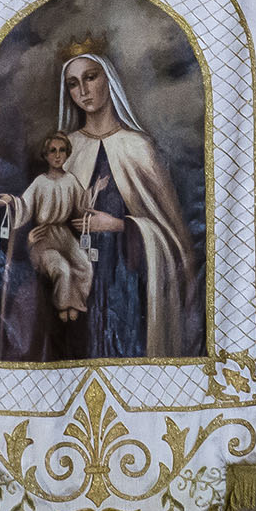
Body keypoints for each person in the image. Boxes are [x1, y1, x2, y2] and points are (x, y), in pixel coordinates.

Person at [50, 43, 201, 359]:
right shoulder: (66, 151)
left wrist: (118, 225)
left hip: (130, 288)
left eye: (90, 77)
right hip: (79, 285)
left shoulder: (139, 148)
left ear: (108, 79)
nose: (84, 91)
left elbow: (173, 239)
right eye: (73, 84)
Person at [0, 132, 100, 361]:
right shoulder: (40, 182)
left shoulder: (71, 180)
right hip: (44, 237)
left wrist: (96, 191)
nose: (58, 155)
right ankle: (64, 308)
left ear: (67, 153)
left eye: (62, 150)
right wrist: (11, 202)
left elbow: (82, 205)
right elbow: (24, 207)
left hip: (64, 234)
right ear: (46, 154)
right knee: (61, 268)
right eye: (53, 150)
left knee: (84, 265)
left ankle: (76, 306)